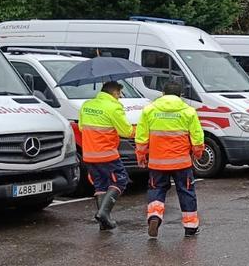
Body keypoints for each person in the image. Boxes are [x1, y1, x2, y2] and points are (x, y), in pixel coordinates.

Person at [135, 80, 204, 238]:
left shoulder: (149, 110)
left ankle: (154, 216)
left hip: (157, 162)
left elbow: (141, 137)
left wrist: (141, 156)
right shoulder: (188, 111)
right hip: (181, 162)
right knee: (186, 192)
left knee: (156, 189)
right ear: (180, 95)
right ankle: (190, 226)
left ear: (163, 94)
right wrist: (197, 154)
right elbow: (197, 137)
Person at [79, 81, 133, 231]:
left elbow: (82, 127)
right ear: (114, 92)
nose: (120, 97)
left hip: (89, 155)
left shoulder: (87, 105)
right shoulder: (114, 107)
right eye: (119, 94)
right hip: (107, 155)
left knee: (100, 185)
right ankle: (103, 213)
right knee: (120, 180)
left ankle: (104, 222)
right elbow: (126, 132)